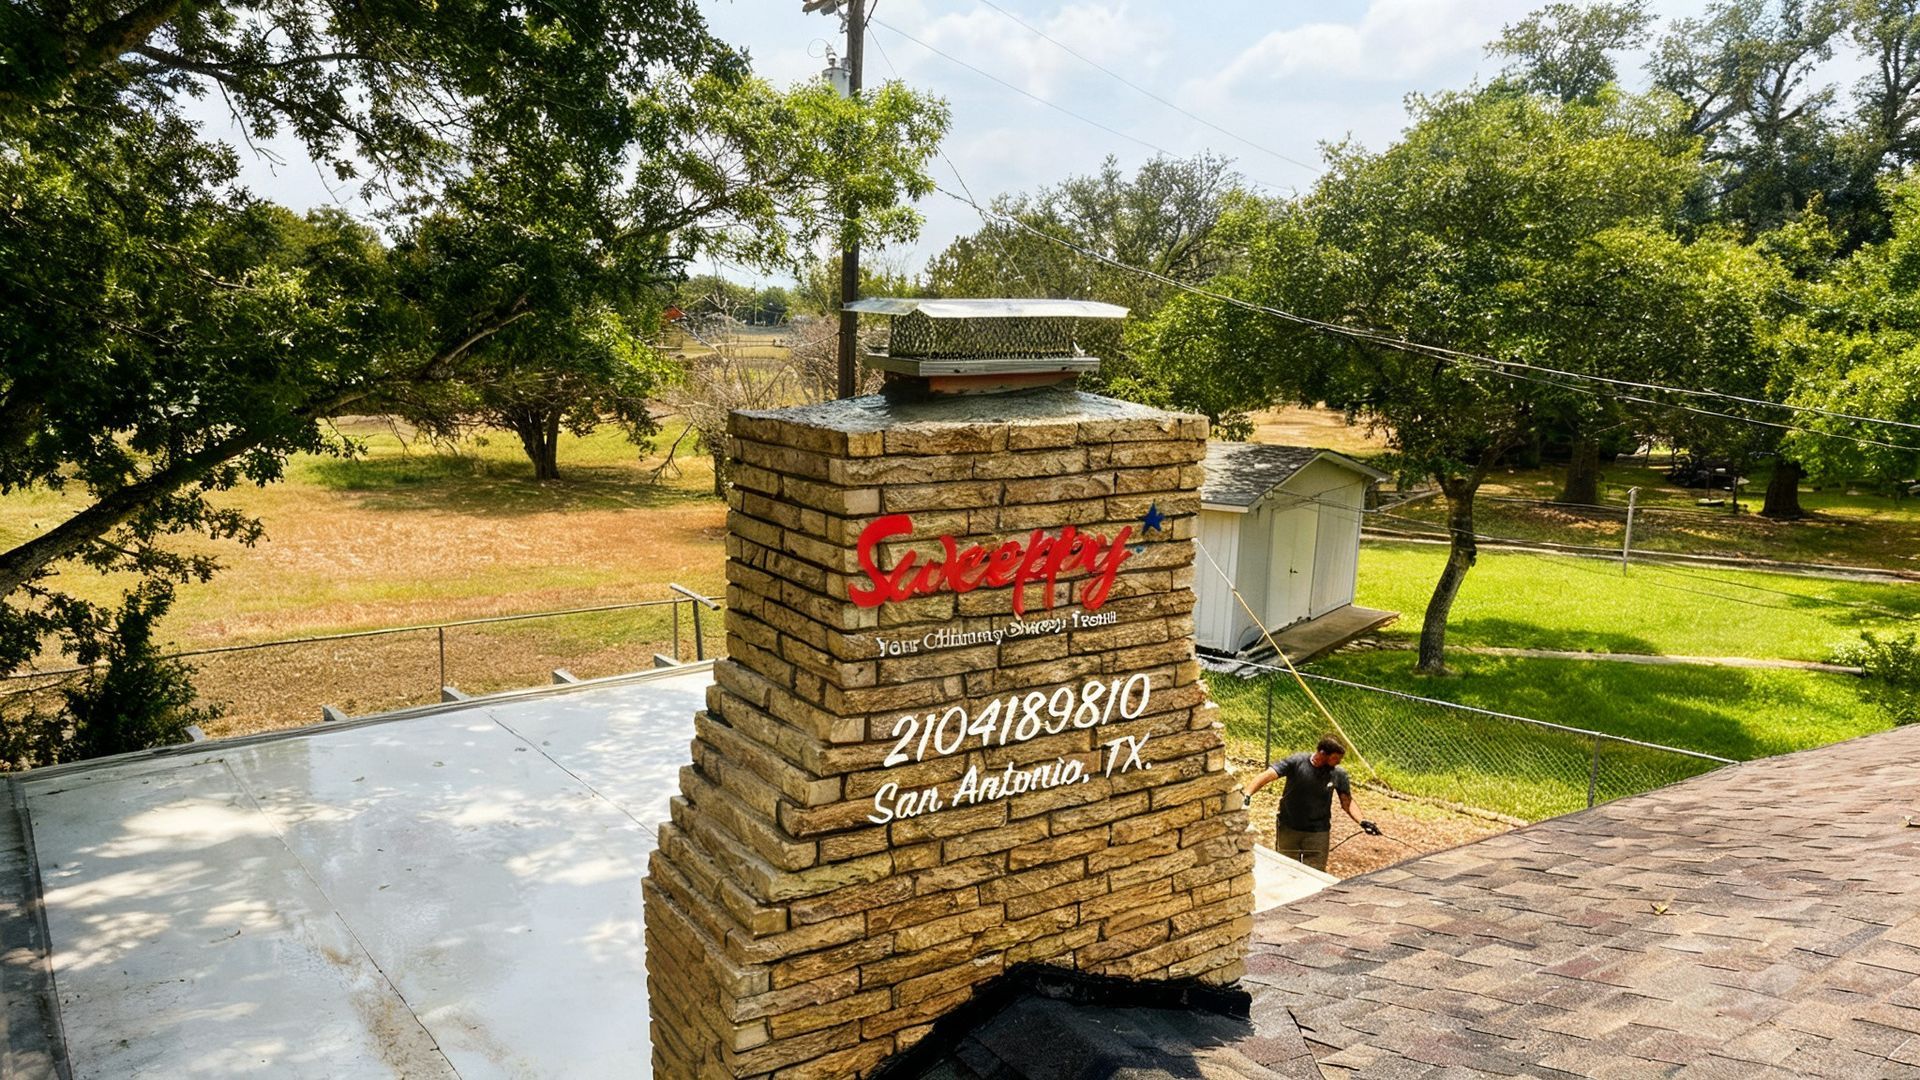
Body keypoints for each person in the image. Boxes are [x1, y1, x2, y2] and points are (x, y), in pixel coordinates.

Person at [1241, 735, 1376, 871]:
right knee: (1284, 869)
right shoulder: (1297, 762)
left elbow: (1347, 802)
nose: (1338, 762)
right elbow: (1267, 775)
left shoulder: (1338, 774)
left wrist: (1362, 821)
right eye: (1335, 758)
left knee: (1315, 873)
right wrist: (1247, 794)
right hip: (1289, 827)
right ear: (1322, 754)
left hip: (1318, 833)